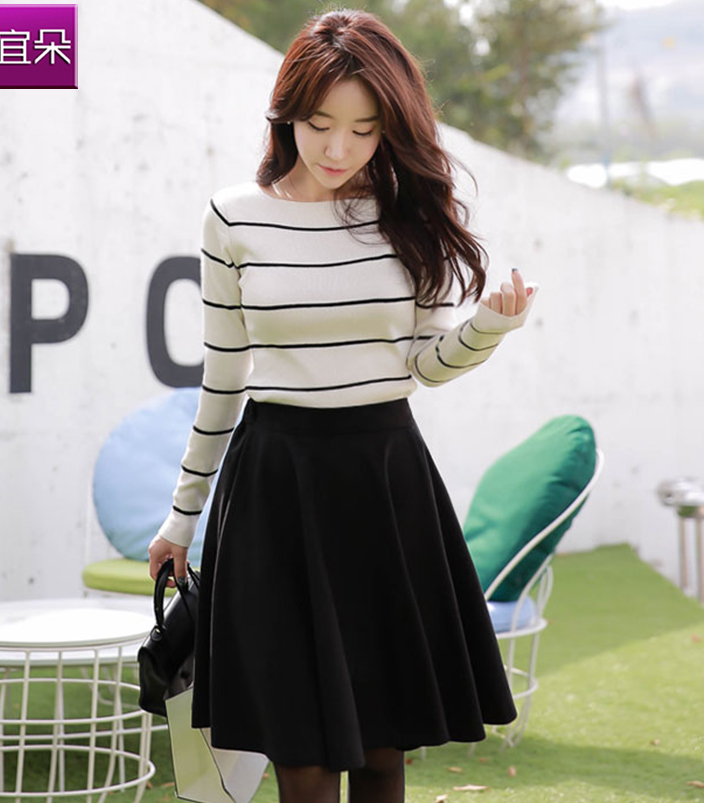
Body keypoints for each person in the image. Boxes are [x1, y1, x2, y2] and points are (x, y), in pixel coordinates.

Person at [148, 7, 540, 803]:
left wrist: (488, 328)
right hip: (276, 490)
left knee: (384, 747)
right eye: (319, 124)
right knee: (302, 756)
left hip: (385, 485)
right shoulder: (233, 216)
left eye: (363, 130)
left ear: (390, 128)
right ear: (286, 113)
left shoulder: (408, 216)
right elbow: (224, 378)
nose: (337, 148)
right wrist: (180, 518)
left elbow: (423, 366)